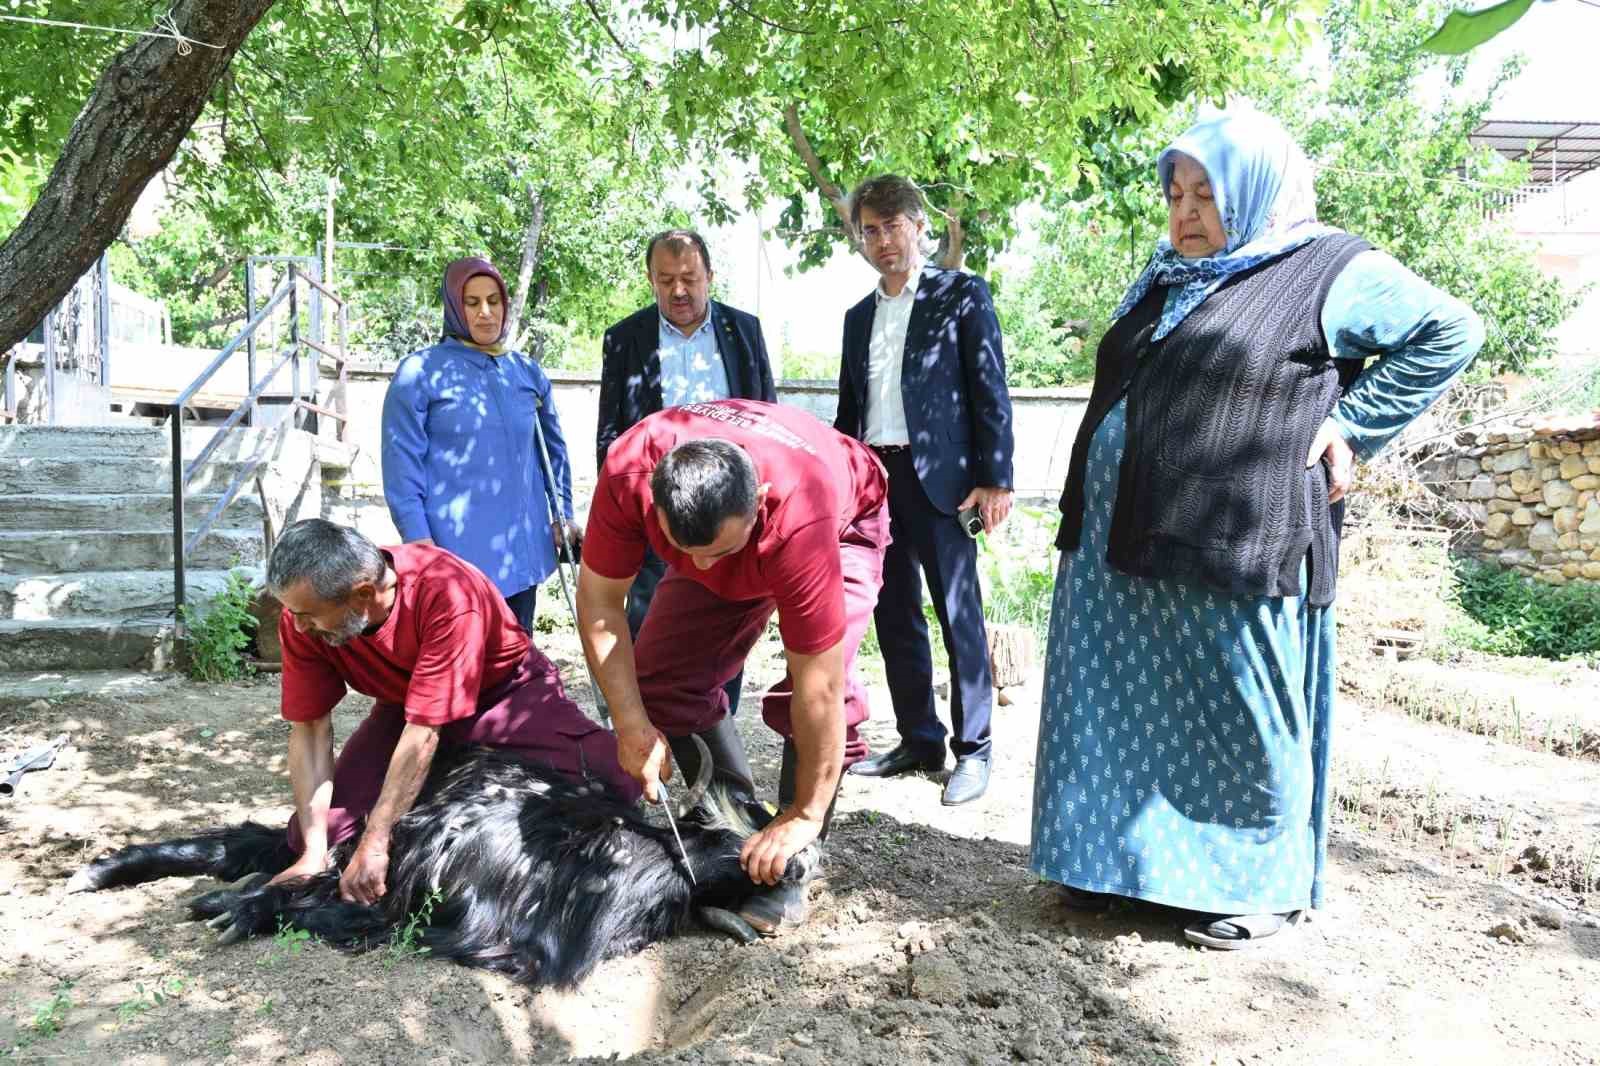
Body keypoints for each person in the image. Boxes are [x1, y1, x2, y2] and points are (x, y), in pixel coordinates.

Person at [1029, 110, 1483, 949]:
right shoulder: (1168, 276)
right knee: (1121, 699)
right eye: (1175, 192)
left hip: (1239, 532)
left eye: (1207, 193)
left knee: (1244, 702)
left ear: (1255, 191)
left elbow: (1451, 331)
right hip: (1118, 534)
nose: (1186, 211)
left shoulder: (1328, 267)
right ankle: (1116, 870)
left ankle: (1257, 885)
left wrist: (1358, 423)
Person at [575, 399, 888, 935]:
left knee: (805, 701)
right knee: (659, 684)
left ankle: (789, 864)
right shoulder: (631, 467)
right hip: (735, 526)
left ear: (759, 502)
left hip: (843, 523)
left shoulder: (798, 512)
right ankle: (732, 834)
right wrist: (631, 728)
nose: (701, 569)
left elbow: (819, 688)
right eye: (682, 548)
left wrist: (806, 815)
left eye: (716, 553)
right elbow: (601, 603)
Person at [265, 519, 634, 905]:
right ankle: (415, 793)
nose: (299, 626)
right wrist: (312, 852)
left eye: (308, 614)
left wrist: (377, 840)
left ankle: (423, 790)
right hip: (405, 707)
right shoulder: (301, 620)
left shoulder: (447, 591)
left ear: (362, 594)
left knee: (613, 779)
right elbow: (309, 729)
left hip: (505, 695)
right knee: (328, 830)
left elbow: (425, 732)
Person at [834, 175, 1015, 806]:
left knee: (958, 613)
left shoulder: (960, 295)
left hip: (946, 484)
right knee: (894, 614)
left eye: (893, 226)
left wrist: (996, 479)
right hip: (875, 482)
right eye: (871, 229)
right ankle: (919, 739)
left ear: (918, 226)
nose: (883, 241)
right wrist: (840, 487)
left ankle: (976, 750)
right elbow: (848, 409)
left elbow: (989, 388)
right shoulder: (859, 318)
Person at [597, 229, 777, 712]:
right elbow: (611, 436)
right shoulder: (625, 339)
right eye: (666, 280)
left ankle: (720, 721)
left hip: (729, 513)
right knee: (648, 625)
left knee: (725, 629)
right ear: (650, 280)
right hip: (657, 513)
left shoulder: (744, 331)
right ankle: (649, 728)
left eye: (689, 279)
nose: (679, 291)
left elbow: (767, 420)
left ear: (710, 277)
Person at [382, 256, 576, 633]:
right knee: (464, 668)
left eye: (494, 301)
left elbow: (554, 452)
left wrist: (563, 513)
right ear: (454, 307)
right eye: (472, 303)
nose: (486, 313)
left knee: (517, 665)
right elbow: (401, 468)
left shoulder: (526, 372)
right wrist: (419, 544)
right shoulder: (419, 373)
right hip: (455, 556)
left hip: (521, 553)